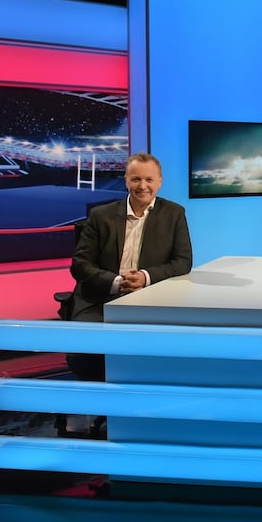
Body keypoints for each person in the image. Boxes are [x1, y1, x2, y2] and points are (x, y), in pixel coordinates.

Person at [67, 152, 194, 380]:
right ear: (126, 180)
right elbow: (79, 264)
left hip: (149, 299)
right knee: (84, 353)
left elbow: (183, 262)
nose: (142, 186)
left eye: (149, 179)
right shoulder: (100, 215)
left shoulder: (174, 214)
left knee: (162, 352)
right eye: (136, 179)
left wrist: (145, 277)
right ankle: (106, 403)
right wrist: (116, 282)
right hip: (100, 298)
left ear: (160, 182)